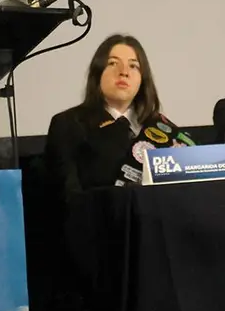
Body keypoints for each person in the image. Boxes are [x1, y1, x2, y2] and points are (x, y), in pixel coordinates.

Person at [44, 33, 189, 198]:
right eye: (113, 63)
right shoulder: (68, 124)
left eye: (133, 66)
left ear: (143, 78)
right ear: (97, 73)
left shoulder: (164, 129)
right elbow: (66, 199)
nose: (124, 72)